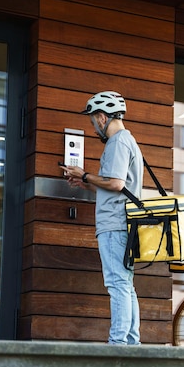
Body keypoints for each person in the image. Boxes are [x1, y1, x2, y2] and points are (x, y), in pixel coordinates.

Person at [62, 91, 144, 345]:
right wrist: (88, 184)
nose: (94, 126)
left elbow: (117, 183)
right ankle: (131, 343)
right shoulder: (128, 140)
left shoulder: (117, 142)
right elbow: (116, 185)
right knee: (125, 285)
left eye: (92, 120)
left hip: (114, 224)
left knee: (117, 284)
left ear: (101, 117)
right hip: (124, 223)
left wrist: (85, 175)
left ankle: (118, 345)